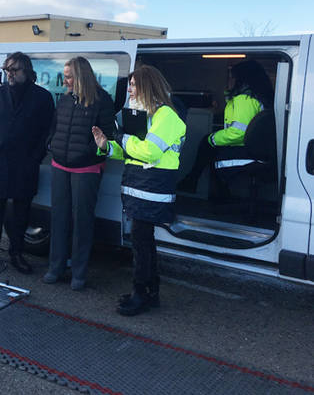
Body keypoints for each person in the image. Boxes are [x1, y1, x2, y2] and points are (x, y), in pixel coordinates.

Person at [93, 65, 186, 316]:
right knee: (144, 242)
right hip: (140, 188)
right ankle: (150, 292)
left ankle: (140, 293)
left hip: (152, 190)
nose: (130, 89)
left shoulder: (166, 116)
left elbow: (149, 151)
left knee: (141, 243)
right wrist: (107, 146)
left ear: (148, 86)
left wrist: (122, 138)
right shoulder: (149, 115)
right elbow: (132, 151)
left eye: (134, 85)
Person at [0, 52, 54, 274]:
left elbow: (47, 131)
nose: (9, 74)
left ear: (26, 72)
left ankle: (16, 253)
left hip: (26, 164)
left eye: (14, 70)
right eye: (7, 70)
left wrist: (35, 157)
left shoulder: (42, 97)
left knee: (21, 213)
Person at [44, 57, 116, 290]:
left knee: (82, 221)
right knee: (59, 218)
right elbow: (54, 127)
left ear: (81, 77)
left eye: (68, 77)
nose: (64, 81)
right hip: (60, 165)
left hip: (87, 168)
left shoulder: (102, 101)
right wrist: (52, 145)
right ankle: (55, 267)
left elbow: (107, 139)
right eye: (64, 76)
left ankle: (79, 273)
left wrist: (85, 154)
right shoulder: (64, 100)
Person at [178, 60, 274, 193]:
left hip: (251, 152)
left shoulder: (244, 100)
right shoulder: (257, 97)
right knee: (209, 147)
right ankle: (200, 185)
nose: (229, 80)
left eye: (231, 77)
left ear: (241, 79)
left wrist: (213, 139)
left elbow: (239, 133)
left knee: (208, 145)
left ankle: (200, 185)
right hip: (261, 151)